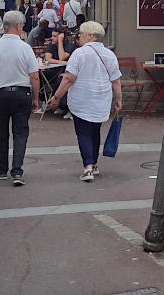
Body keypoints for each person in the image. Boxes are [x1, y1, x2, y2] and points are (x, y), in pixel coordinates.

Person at [46, 21, 121, 182]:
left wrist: (56, 97)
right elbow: (116, 81)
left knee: (83, 132)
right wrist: (119, 100)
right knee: (95, 131)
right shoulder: (109, 54)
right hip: (101, 99)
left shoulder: (79, 54)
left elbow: (68, 79)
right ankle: (93, 163)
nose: (78, 37)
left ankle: (88, 166)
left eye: (81, 34)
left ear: (90, 36)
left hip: (82, 99)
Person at [0, 11, 40, 185]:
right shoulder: (25, 48)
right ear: (18, 26)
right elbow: (34, 76)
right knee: (20, 132)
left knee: (1, 132)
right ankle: (17, 170)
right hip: (21, 93)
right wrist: (35, 98)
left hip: (0, 94)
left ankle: (2, 169)